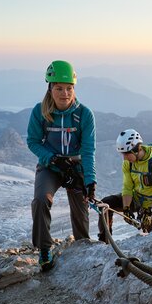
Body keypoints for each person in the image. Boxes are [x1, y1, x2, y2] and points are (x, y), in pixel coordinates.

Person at [27, 60, 96, 271]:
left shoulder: (84, 114)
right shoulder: (40, 112)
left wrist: (90, 181)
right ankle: (45, 249)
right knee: (40, 200)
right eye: (59, 88)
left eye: (69, 88)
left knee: (80, 210)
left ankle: (83, 246)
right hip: (51, 166)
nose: (64, 93)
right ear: (50, 88)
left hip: (76, 166)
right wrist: (53, 159)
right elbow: (33, 142)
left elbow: (88, 150)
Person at [97, 129, 152, 242]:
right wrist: (126, 208)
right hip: (136, 199)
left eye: (127, 154)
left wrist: (150, 211)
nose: (124, 158)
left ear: (137, 149)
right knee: (105, 204)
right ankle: (104, 241)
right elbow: (127, 188)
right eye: (123, 154)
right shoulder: (128, 163)